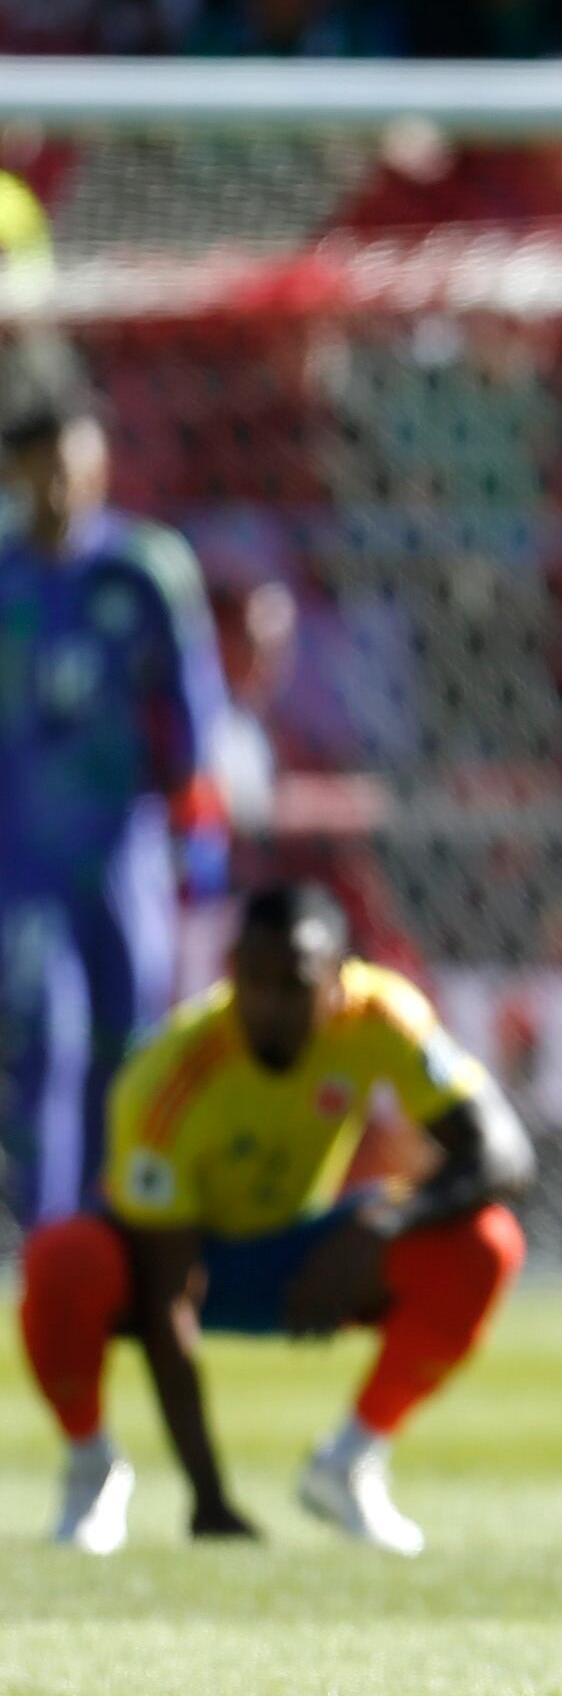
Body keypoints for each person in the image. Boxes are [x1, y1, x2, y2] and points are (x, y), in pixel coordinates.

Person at [20, 883, 532, 1556]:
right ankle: (93, 1471)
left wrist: (388, 1223)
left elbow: (502, 1153)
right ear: (231, 970)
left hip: (300, 1250)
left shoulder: (382, 1018)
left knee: (485, 1242)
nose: (268, 1005)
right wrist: (208, 1497)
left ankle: (348, 1462)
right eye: (251, 981)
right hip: (175, 1264)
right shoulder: (169, 1075)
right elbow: (170, 1295)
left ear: (337, 981)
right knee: (62, 1259)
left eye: (292, 985)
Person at [0, 365, 231, 1233]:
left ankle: (118, 1239)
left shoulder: (146, 571)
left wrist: (198, 831)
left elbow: (192, 712)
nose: (60, 485)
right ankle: (45, 1247)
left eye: (74, 463)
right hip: (19, 858)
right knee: (42, 1042)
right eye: (41, 467)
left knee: (129, 1050)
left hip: (122, 850)